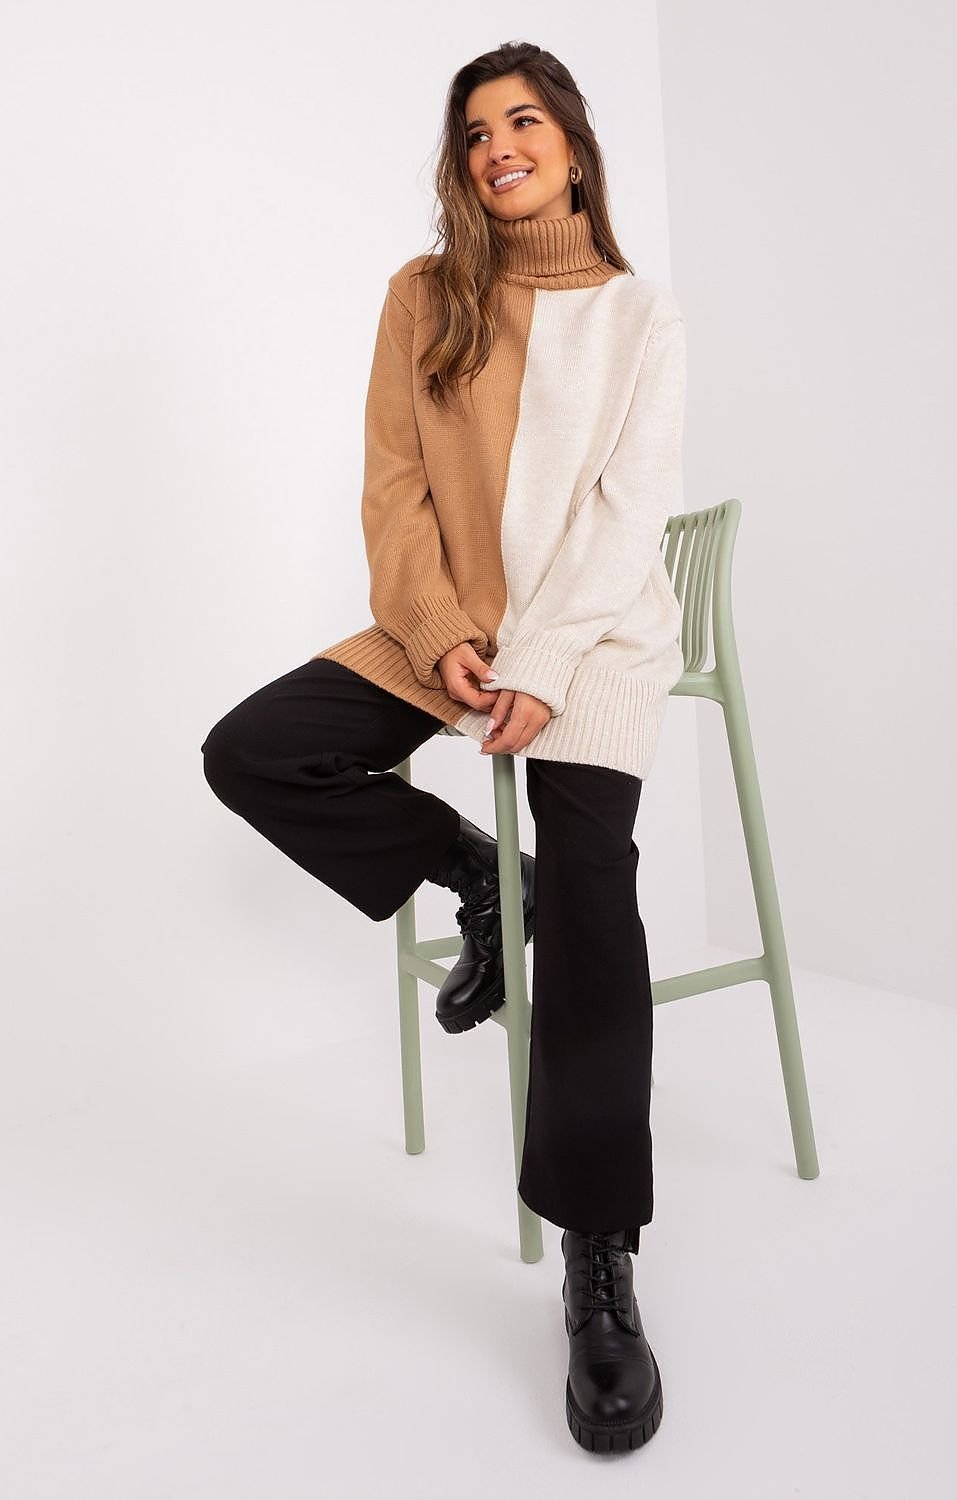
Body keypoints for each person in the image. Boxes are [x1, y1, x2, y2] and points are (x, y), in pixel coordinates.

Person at [201, 40, 686, 1456]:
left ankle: (599, 1260)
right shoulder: (424, 299)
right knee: (257, 750)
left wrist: (540, 661)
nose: (496, 147)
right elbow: (396, 487)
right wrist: (435, 634)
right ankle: (476, 873)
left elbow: (619, 516)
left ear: (577, 147)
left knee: (593, 887)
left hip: (590, 638)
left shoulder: (643, 315)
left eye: (522, 121)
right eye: (474, 130)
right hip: (453, 629)